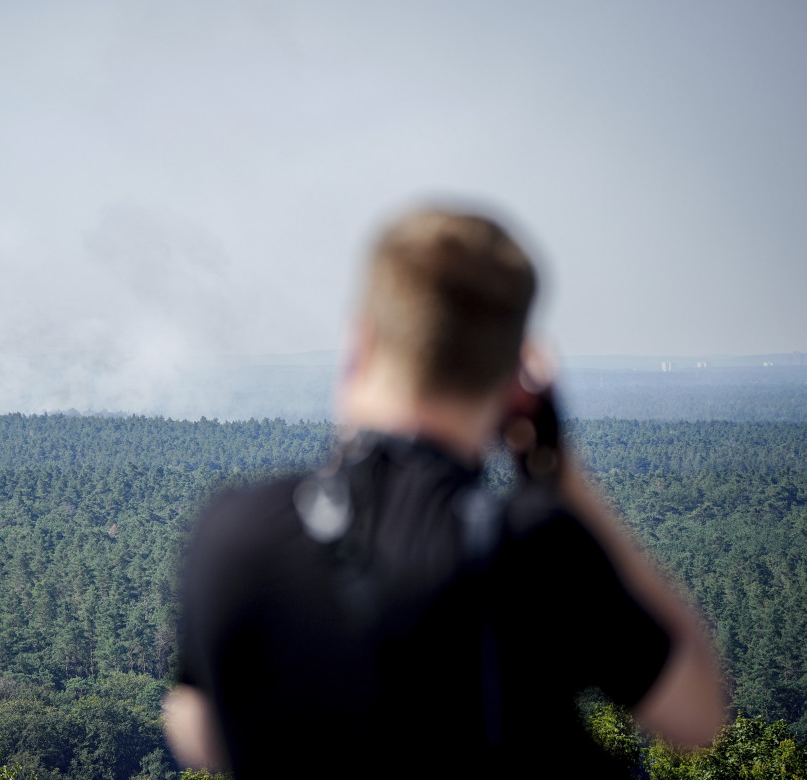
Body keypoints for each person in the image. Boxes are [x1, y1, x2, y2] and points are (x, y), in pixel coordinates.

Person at [163, 204, 725, 777]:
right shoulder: (534, 545)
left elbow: (194, 725)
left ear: (363, 342)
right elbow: (699, 716)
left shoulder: (232, 532)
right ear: (516, 387)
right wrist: (560, 474)